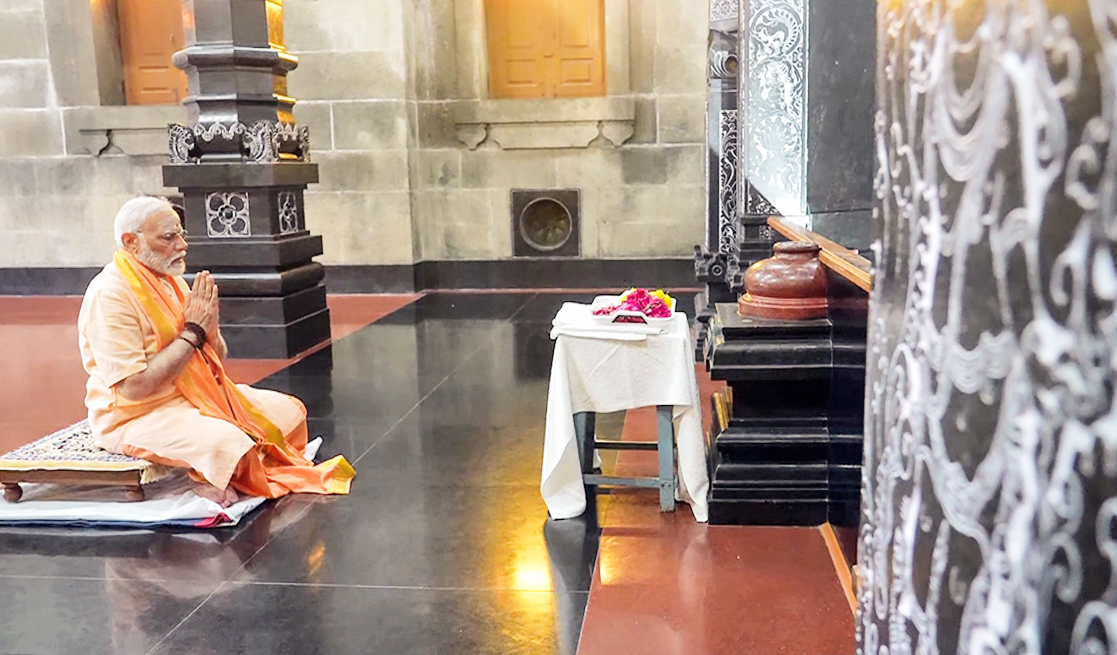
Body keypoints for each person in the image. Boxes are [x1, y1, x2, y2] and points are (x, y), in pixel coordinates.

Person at [77, 196, 354, 506]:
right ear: (132, 242)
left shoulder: (172, 283)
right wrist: (193, 333)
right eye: (169, 237)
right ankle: (204, 476)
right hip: (137, 416)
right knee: (231, 444)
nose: (182, 246)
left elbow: (215, 358)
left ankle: (217, 468)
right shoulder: (110, 295)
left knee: (290, 412)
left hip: (193, 399)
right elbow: (134, 387)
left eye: (181, 235)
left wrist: (209, 330)